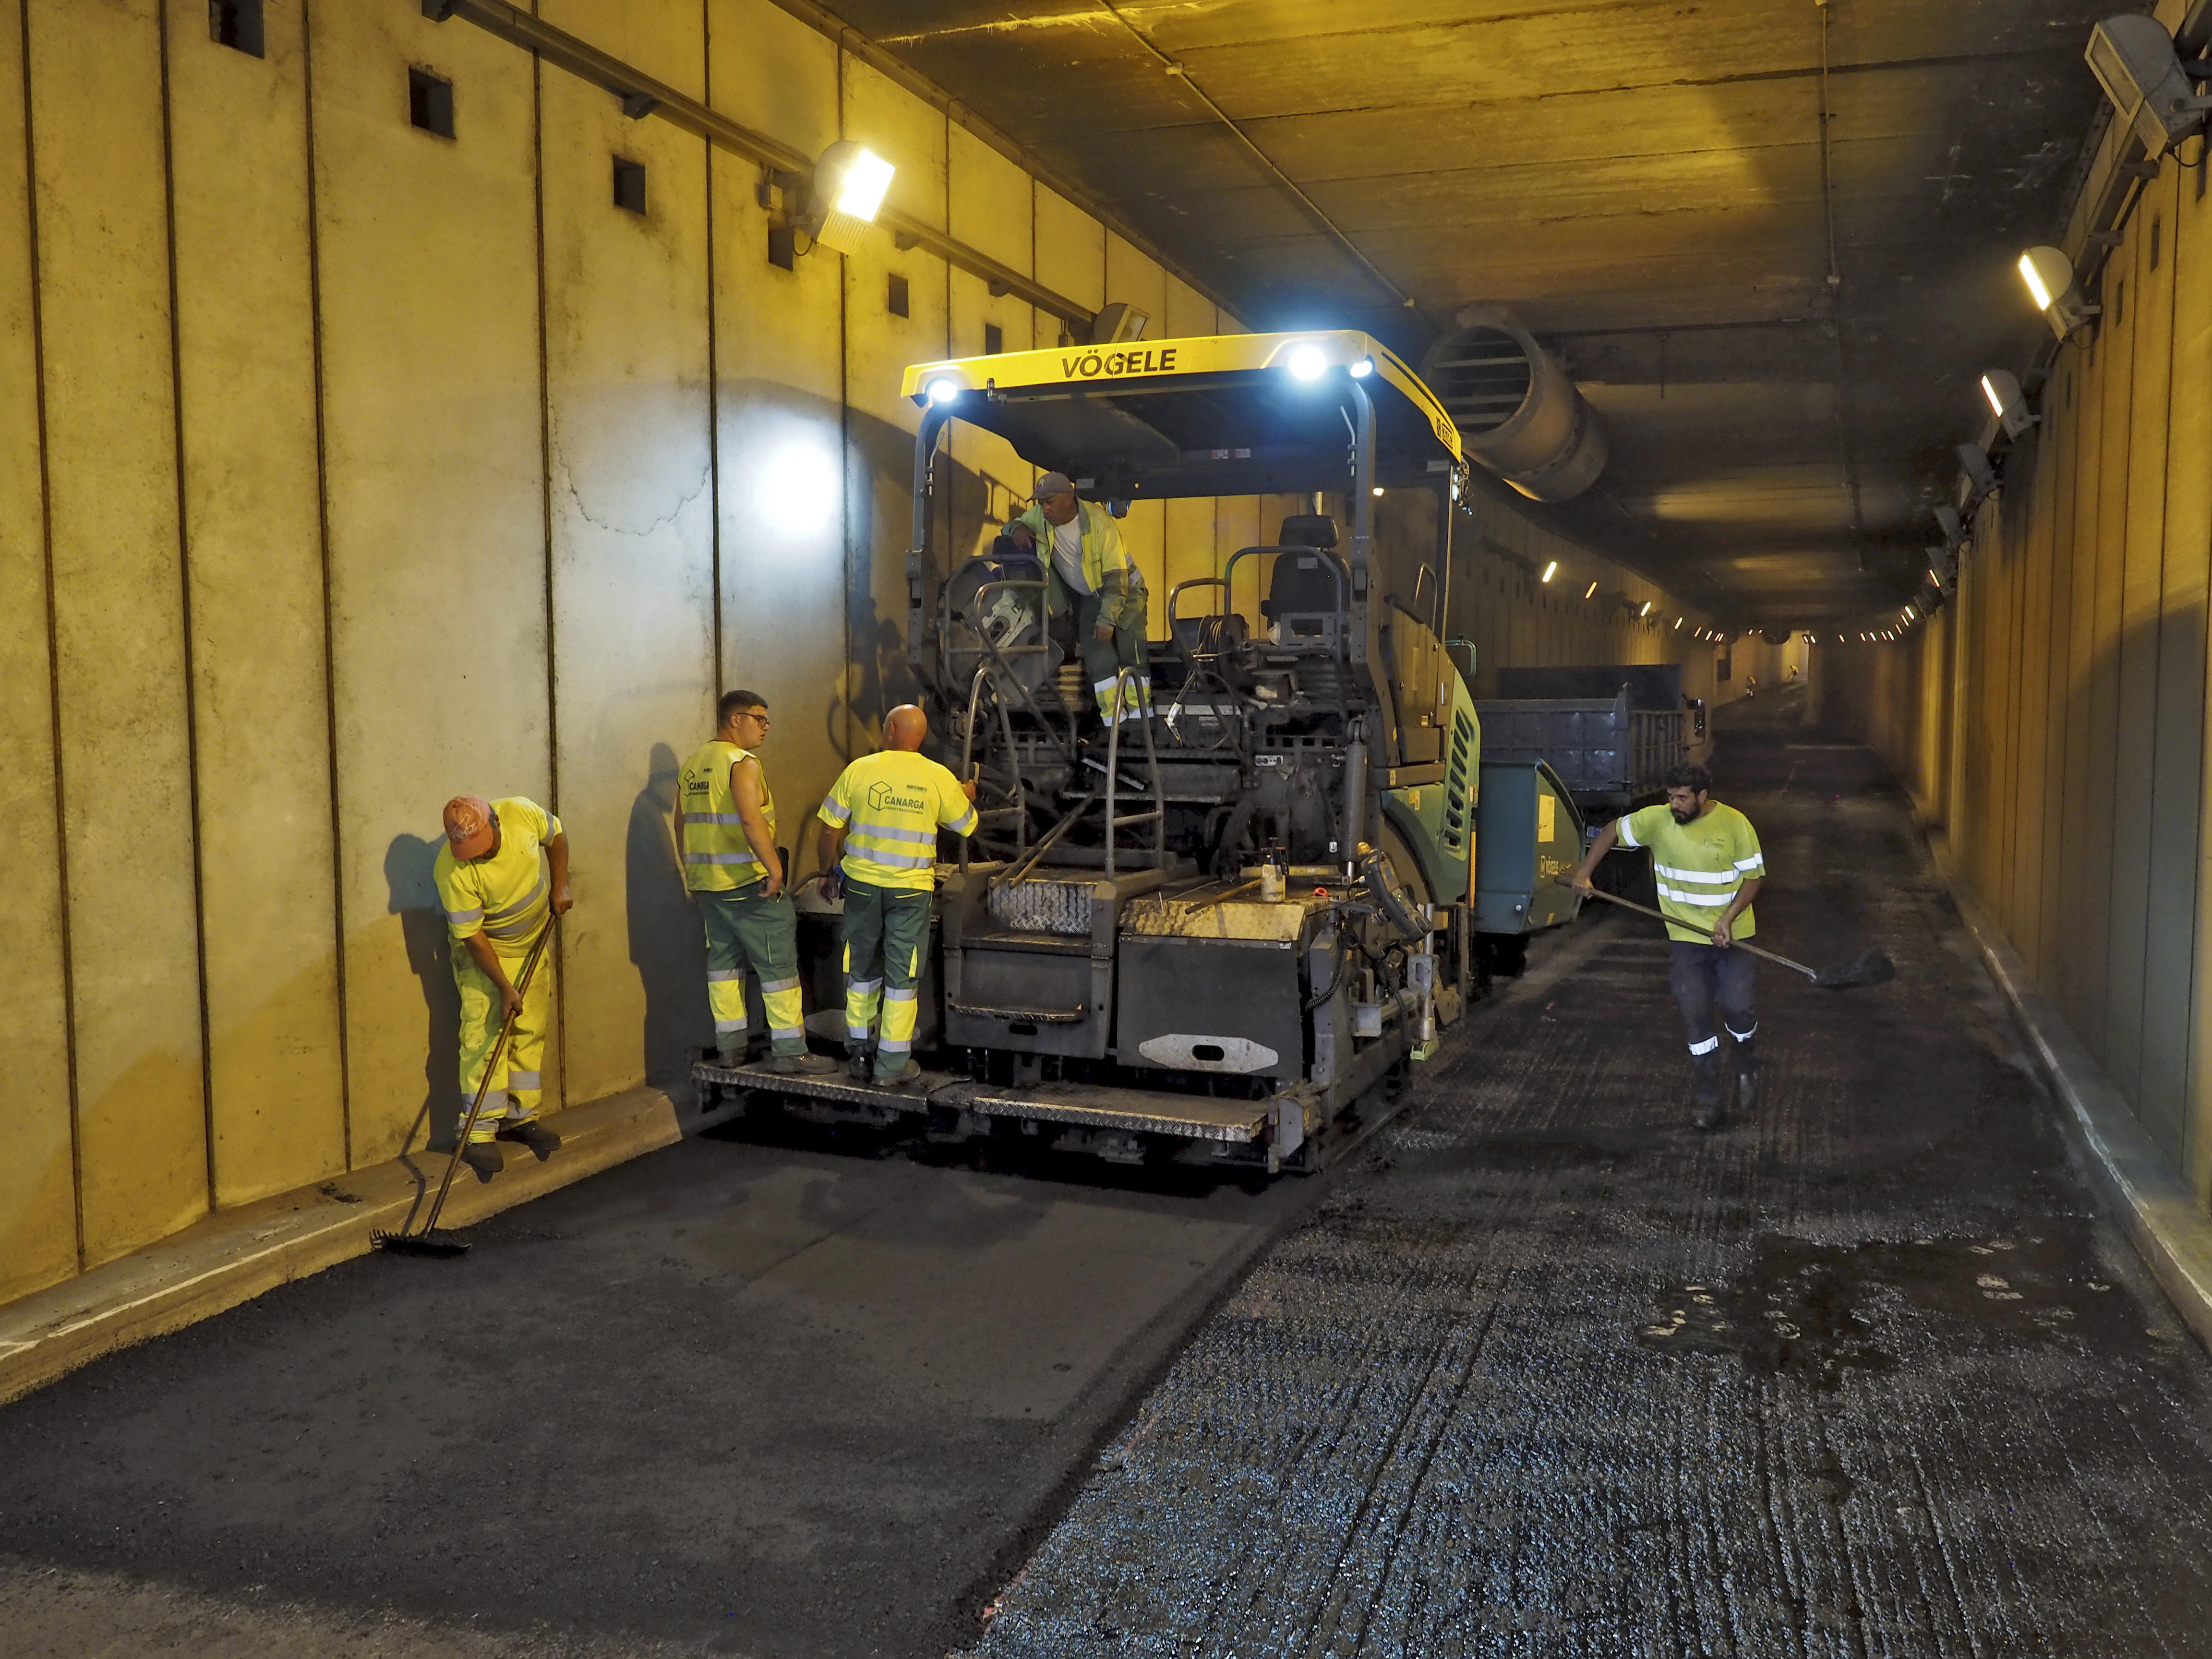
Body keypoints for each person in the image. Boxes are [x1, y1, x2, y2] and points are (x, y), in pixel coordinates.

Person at [1567, 762, 1766, 1130]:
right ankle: (1709, 1100)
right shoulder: (1657, 820)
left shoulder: (1735, 825)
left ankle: (1745, 1062)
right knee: (1696, 1016)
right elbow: (1612, 830)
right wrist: (1584, 872)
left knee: (1739, 1009)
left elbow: (1753, 880)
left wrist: (1727, 919)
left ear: (1703, 798)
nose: (1675, 804)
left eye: (1683, 798)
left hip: (1734, 933)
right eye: (1671, 797)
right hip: (1686, 937)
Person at [676, 690, 837, 1076]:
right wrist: (775, 870)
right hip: (750, 884)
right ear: (735, 720)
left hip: (710, 886)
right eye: (759, 719)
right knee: (778, 967)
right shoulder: (742, 763)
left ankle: (730, 1049)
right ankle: (790, 1051)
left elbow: (682, 823)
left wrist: (692, 875)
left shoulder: (694, 765)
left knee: (723, 968)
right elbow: (751, 820)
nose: (766, 727)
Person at [815, 705, 978, 1084]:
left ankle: (859, 1054)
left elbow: (828, 830)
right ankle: (891, 1065)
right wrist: (964, 793)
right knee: (902, 975)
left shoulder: (860, 769)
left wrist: (827, 873)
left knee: (861, 969)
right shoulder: (937, 776)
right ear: (920, 738)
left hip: (862, 888)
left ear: (890, 730)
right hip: (909, 893)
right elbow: (967, 826)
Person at [433, 795, 572, 1180]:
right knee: (484, 1038)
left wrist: (559, 886)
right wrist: (505, 986)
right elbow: (473, 937)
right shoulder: (452, 871)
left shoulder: (520, 813)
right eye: (467, 851)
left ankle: (520, 1116)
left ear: (495, 820)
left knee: (530, 1031)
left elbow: (556, 837)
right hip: (486, 959)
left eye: (482, 845)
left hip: (531, 946)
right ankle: (477, 1132)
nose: (476, 856)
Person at [1002, 471, 1152, 725]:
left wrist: (1107, 620)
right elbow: (1010, 526)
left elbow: (1117, 581)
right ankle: (1114, 722)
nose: (1045, 509)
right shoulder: (1041, 517)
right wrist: (1018, 528)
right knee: (1098, 657)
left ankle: (1141, 718)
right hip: (1092, 596)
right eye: (1041, 503)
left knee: (1131, 652)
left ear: (1070, 497)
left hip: (1127, 593)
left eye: (1050, 502)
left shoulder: (1100, 524)